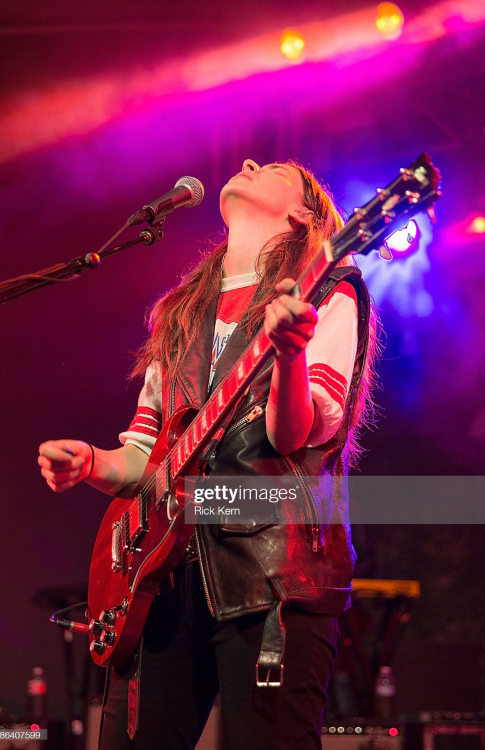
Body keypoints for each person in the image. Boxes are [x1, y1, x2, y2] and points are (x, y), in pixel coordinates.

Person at [38, 158, 376, 750]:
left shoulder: (329, 288)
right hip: (161, 577)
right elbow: (145, 458)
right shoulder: (179, 313)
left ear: (303, 213)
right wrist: (91, 462)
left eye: (271, 168)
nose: (247, 162)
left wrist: (290, 354)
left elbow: (293, 435)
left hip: (273, 577)